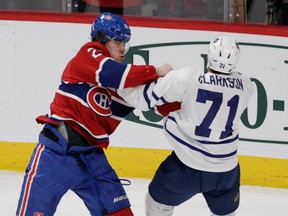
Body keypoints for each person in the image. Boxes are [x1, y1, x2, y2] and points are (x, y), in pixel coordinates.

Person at [16, 12, 174, 216]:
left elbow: (157, 102)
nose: (123, 48)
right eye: (117, 41)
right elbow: (113, 73)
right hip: (55, 156)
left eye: (125, 42)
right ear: (101, 39)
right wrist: (157, 71)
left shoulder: (124, 85)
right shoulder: (87, 56)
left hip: (92, 160)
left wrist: (174, 88)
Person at [118, 36, 254, 215]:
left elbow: (143, 100)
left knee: (157, 203)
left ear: (209, 56)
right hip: (226, 171)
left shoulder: (187, 78)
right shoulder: (246, 86)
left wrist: (118, 84)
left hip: (186, 167)